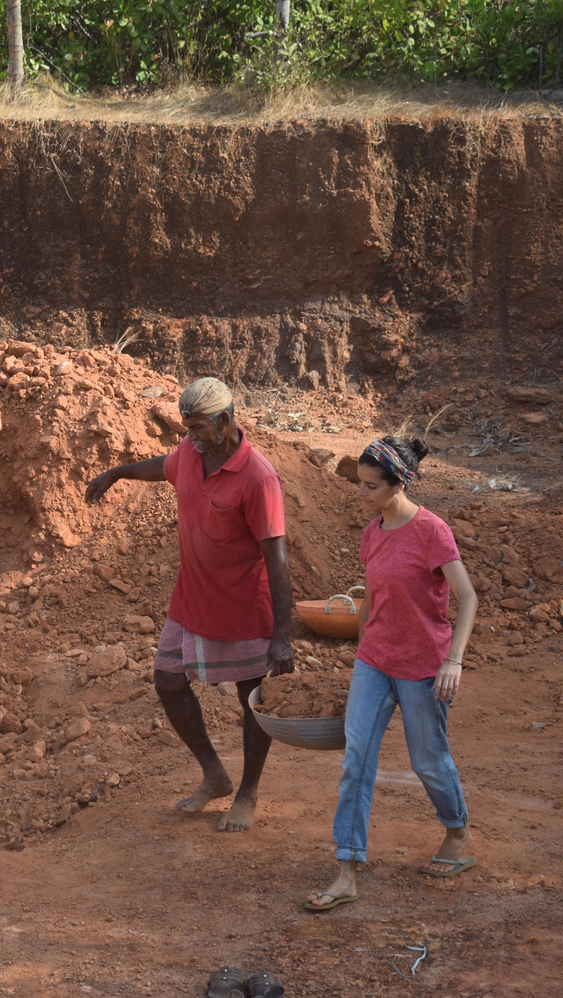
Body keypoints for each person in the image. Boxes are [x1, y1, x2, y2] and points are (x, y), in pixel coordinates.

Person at [84, 377, 294, 833]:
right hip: (191, 598)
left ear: (224, 420)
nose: (190, 437)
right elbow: (165, 464)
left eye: (198, 427)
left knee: (251, 700)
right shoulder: (192, 454)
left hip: (242, 606)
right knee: (167, 681)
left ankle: (248, 793)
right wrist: (117, 472)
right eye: (188, 428)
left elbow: (277, 562)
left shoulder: (259, 478)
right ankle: (215, 774)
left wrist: (282, 635)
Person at [306, 435, 477, 913]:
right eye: (359, 485)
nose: (360, 494)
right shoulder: (372, 532)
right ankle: (346, 871)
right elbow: (371, 599)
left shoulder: (432, 532)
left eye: (370, 487)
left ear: (398, 483)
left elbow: (468, 598)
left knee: (428, 760)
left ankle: (457, 830)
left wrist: (453, 661)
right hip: (375, 662)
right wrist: (359, 648)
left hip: (425, 667)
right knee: (355, 760)